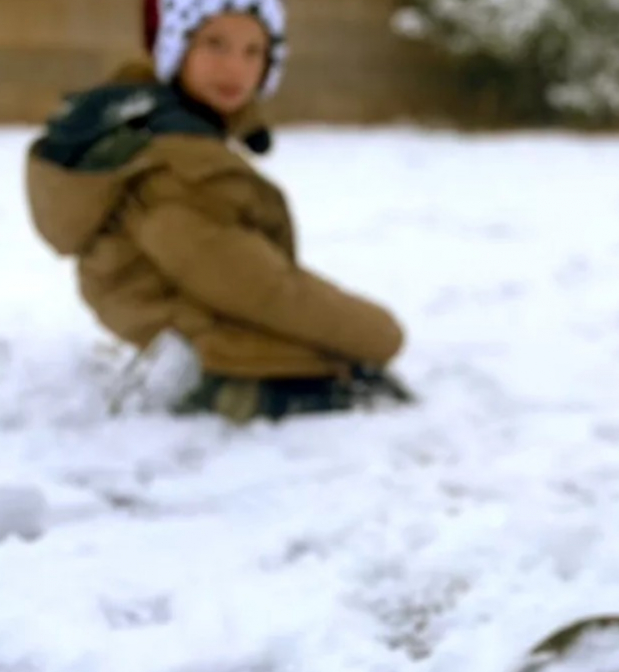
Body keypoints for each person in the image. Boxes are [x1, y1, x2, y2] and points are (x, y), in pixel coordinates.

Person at [25, 0, 413, 422]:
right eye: (215, 44)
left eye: (254, 52)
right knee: (349, 356)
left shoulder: (147, 118)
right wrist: (381, 334)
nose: (235, 68)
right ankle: (221, 389)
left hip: (153, 301)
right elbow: (256, 286)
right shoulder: (182, 165)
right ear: (177, 50)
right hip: (186, 317)